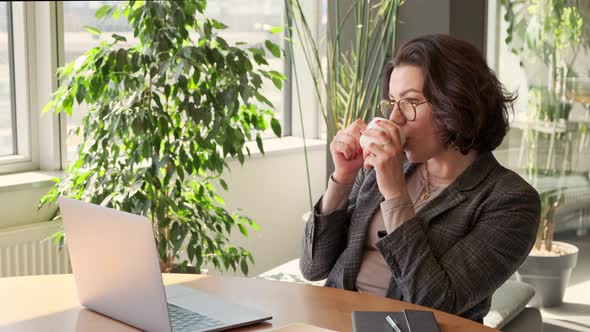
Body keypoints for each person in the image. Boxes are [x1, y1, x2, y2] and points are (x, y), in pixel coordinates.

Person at [299, 34, 541, 323]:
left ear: (456, 103)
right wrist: (342, 179)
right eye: (392, 102)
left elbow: (435, 304)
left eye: (410, 101)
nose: (395, 118)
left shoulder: (510, 201)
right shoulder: (389, 165)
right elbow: (313, 267)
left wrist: (396, 196)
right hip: (333, 319)